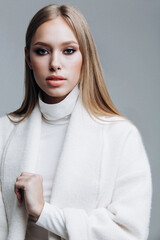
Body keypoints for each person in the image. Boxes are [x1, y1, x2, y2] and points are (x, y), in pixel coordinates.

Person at [0, 4, 152, 240]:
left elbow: (130, 233)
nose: (55, 64)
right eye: (42, 51)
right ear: (28, 58)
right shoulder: (4, 133)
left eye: (68, 51)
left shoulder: (120, 136)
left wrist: (43, 211)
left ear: (86, 56)